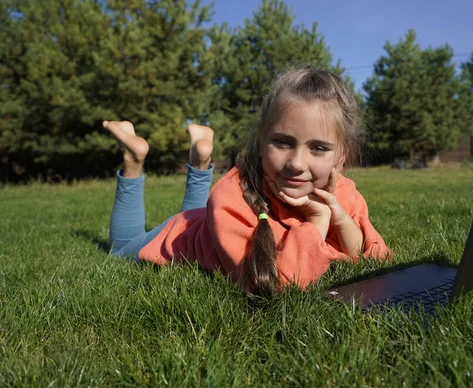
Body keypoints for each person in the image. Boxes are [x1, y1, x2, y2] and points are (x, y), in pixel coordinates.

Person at [105, 65, 390, 295]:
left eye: (318, 148)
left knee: (194, 212)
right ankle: (133, 161)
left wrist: (338, 217)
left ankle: (200, 160)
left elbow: (372, 258)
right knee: (120, 248)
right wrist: (317, 221)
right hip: (180, 235)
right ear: (261, 141)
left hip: (204, 220)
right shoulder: (231, 197)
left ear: (342, 156)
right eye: (282, 142)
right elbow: (276, 284)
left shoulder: (342, 191)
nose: (297, 164)